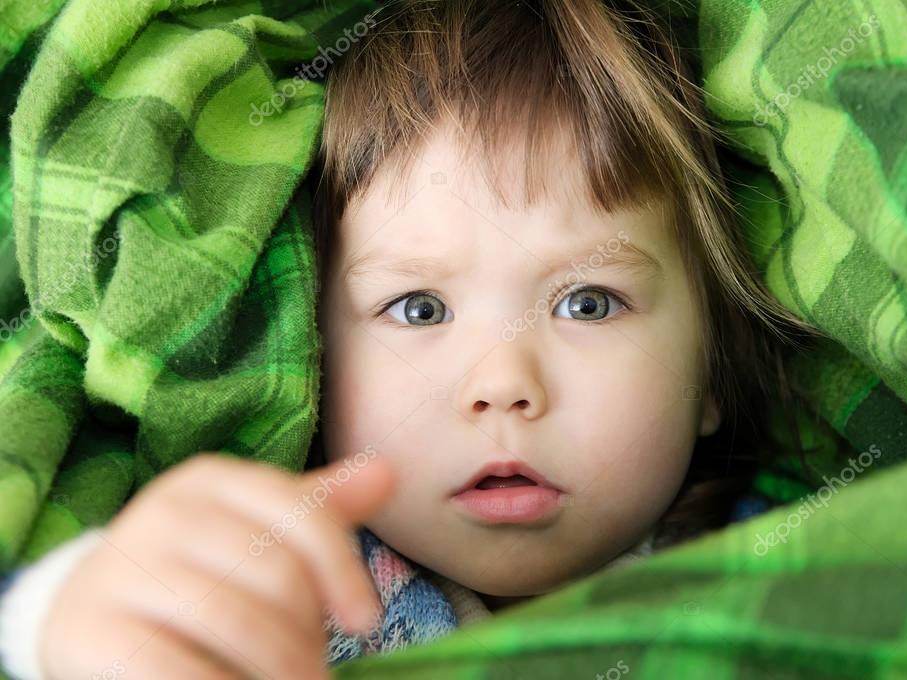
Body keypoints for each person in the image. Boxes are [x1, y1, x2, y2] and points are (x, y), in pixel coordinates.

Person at [0, 1, 807, 677]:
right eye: (419, 309)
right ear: (313, 361)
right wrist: (63, 617)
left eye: (588, 303)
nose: (501, 383)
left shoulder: (802, 574)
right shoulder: (273, 593)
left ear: (708, 368)